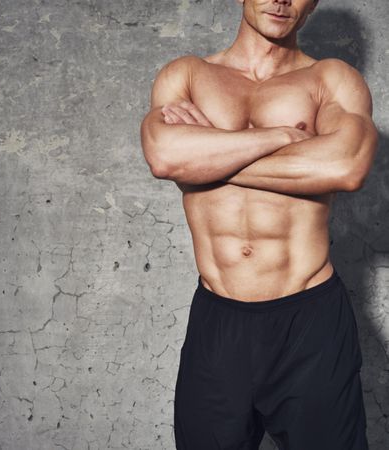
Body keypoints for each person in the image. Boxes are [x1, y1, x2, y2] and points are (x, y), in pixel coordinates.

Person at [140, 0, 379, 449]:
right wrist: (283, 136)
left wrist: (207, 157)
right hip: (218, 321)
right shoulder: (186, 75)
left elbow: (346, 165)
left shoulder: (330, 80)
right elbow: (165, 157)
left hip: (309, 323)